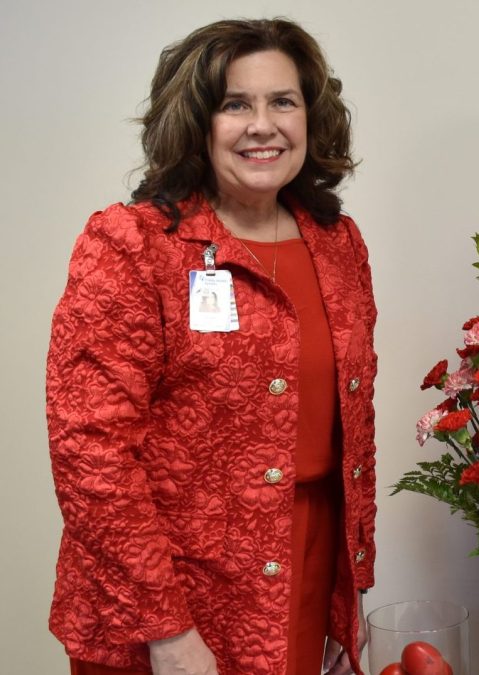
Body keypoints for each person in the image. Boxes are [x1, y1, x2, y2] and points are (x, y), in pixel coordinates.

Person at [46, 19, 377, 675]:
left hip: (306, 568)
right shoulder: (132, 246)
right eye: (235, 104)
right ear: (196, 121)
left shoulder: (338, 245)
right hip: (170, 595)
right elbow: (91, 450)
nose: (263, 125)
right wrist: (165, 630)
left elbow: (351, 435)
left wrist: (346, 597)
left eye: (283, 101)